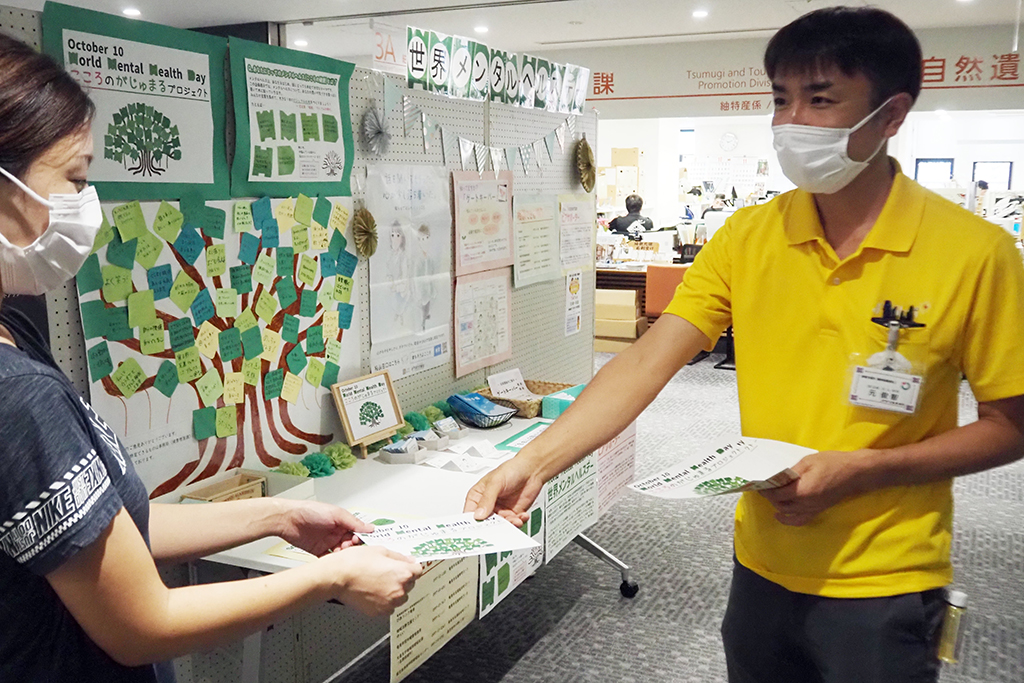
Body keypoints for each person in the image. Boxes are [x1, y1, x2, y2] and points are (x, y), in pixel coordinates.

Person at [465, 7, 1024, 683]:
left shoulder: (974, 253)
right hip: (762, 560)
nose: (792, 122)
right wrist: (535, 462)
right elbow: (644, 360)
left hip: (886, 578)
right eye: (781, 100)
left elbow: (1009, 425)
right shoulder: (749, 236)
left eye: (821, 100)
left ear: (891, 115)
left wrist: (863, 470)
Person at [0, 34, 421, 683]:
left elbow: (109, 532)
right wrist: (332, 576)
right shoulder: (21, 398)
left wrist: (279, 516)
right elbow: (142, 623)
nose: (88, 205)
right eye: (76, 179)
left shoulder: (14, 332)